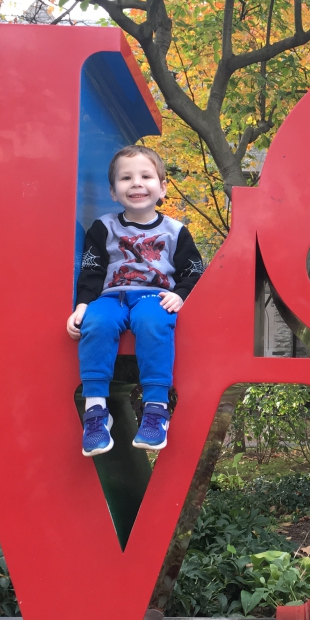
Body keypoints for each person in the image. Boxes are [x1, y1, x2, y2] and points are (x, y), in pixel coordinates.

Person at [67, 145, 204, 456]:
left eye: (146, 176)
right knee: (96, 324)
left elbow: (194, 270)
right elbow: (91, 270)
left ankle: (156, 410)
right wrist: (82, 306)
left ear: (162, 187)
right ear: (114, 191)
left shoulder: (176, 232)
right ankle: (96, 413)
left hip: (154, 298)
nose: (137, 183)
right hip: (112, 297)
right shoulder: (104, 228)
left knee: (154, 322)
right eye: (126, 178)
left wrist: (179, 296)